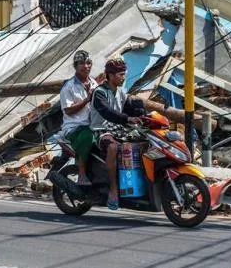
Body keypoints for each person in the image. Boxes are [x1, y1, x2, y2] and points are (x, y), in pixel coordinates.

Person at [89, 56, 189, 210]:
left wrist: (144, 115)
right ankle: (113, 190)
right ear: (110, 75)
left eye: (124, 74)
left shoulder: (120, 92)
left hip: (120, 129)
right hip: (101, 131)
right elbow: (107, 112)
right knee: (113, 147)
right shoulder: (100, 93)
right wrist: (127, 118)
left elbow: (131, 106)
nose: (123, 77)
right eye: (120, 74)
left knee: (147, 144)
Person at [59, 50, 98, 186]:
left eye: (88, 63)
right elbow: (68, 110)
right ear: (75, 66)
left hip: (93, 125)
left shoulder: (94, 84)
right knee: (87, 136)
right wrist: (87, 99)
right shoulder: (69, 86)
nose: (85, 66)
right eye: (81, 63)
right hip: (74, 128)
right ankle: (81, 174)